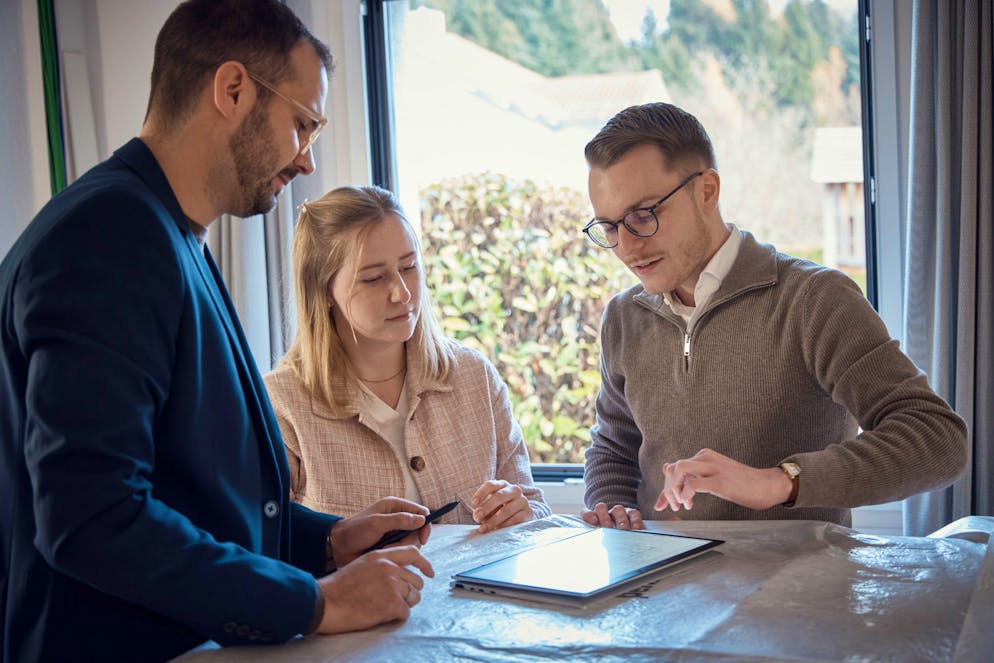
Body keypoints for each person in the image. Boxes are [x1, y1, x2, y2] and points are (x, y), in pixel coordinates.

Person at [0, 2, 433, 662]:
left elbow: (188, 495)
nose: (307, 162)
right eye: (302, 124)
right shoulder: (109, 236)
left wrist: (324, 540)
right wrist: (318, 601)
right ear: (232, 89)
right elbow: (91, 516)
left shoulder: (173, 235)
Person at [578, 102, 968, 530]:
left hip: (799, 592)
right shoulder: (623, 317)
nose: (627, 247)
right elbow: (614, 448)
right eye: (610, 227)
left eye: (643, 215)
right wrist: (611, 504)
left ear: (706, 191)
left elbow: (939, 441)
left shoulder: (814, 299)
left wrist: (782, 482)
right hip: (663, 590)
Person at [263, 185, 551, 534]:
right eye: (373, 278)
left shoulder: (473, 376)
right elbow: (268, 547)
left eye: (409, 267)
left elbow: (537, 509)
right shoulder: (280, 405)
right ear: (323, 290)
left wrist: (522, 513)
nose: (402, 293)